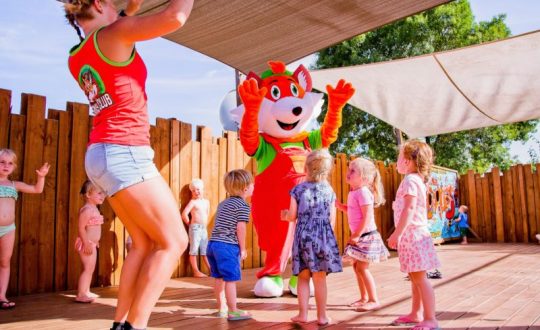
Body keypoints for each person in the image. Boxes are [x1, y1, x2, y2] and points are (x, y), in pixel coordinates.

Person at [62, 1, 194, 329]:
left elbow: (118, 25)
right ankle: (136, 326)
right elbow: (175, 16)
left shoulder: (78, 55)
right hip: (125, 150)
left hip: (101, 154)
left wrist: (130, 10)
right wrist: (129, 15)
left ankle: (120, 323)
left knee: (145, 242)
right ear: (98, 4)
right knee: (175, 241)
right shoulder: (116, 34)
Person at [281, 149, 342, 326]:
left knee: (303, 277)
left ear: (306, 169)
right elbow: (331, 219)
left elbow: (292, 216)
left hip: (304, 238)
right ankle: (322, 316)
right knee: (320, 278)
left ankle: (303, 314)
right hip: (323, 238)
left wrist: (285, 215)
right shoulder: (329, 190)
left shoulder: (297, 190)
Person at [387, 140, 441, 330]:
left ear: (408, 161)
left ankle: (430, 319)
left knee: (420, 279)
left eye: (399, 157)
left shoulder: (410, 181)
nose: (397, 161)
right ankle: (416, 313)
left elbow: (409, 208)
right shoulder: (416, 180)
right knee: (415, 277)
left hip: (413, 236)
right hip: (415, 236)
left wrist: (396, 234)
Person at [336, 158, 389, 312]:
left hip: (366, 236)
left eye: (353, 171)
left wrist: (357, 235)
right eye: (349, 169)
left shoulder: (364, 192)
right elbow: (353, 210)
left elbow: (367, 216)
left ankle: (374, 299)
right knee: (356, 267)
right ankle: (364, 298)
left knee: (362, 268)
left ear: (364, 178)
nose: (348, 173)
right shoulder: (354, 192)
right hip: (361, 235)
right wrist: (341, 206)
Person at [0, 148, 49, 310]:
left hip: (8, 229)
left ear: (14, 167)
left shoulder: (15, 185)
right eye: (2, 162)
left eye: (10, 163)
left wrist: (41, 177)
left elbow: (37, 189)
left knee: (5, 261)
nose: (6, 166)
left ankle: (1, 296)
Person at [207, 169, 254, 321]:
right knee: (230, 279)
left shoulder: (223, 204)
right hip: (227, 246)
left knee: (218, 277)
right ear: (245, 188)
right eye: (252, 184)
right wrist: (242, 248)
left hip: (213, 244)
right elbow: (240, 228)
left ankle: (222, 308)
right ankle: (233, 310)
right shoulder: (243, 206)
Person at [75, 180, 106, 303]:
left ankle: (86, 290)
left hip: (92, 244)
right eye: (99, 193)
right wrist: (87, 243)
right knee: (88, 268)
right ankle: (81, 294)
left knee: (90, 268)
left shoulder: (94, 208)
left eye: (103, 193)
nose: (102, 195)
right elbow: (81, 228)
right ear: (88, 194)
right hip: (86, 243)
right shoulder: (87, 210)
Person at [181, 179, 211, 277]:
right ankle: (196, 271)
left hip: (203, 228)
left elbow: (207, 214)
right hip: (195, 228)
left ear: (202, 189)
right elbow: (184, 214)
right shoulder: (193, 202)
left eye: (198, 189)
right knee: (193, 250)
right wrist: (190, 223)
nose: (196, 192)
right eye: (193, 190)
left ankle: (211, 270)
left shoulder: (206, 202)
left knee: (205, 250)